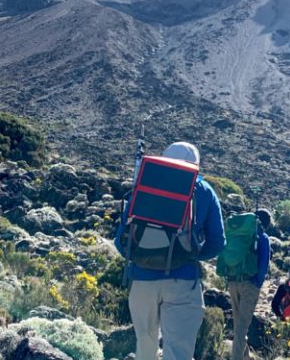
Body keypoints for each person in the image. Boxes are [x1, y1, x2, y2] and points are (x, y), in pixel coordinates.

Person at [114, 142, 226, 360]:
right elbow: (218, 243)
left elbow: (120, 242)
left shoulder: (144, 185)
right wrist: (190, 255)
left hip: (142, 281)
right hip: (183, 282)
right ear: (196, 166)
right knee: (178, 352)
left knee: (145, 349)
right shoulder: (203, 190)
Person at [222, 209, 272, 360]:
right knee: (242, 328)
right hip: (249, 284)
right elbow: (264, 264)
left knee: (239, 324)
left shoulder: (240, 234)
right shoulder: (262, 237)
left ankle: (245, 357)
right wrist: (257, 283)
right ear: (266, 223)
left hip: (233, 281)